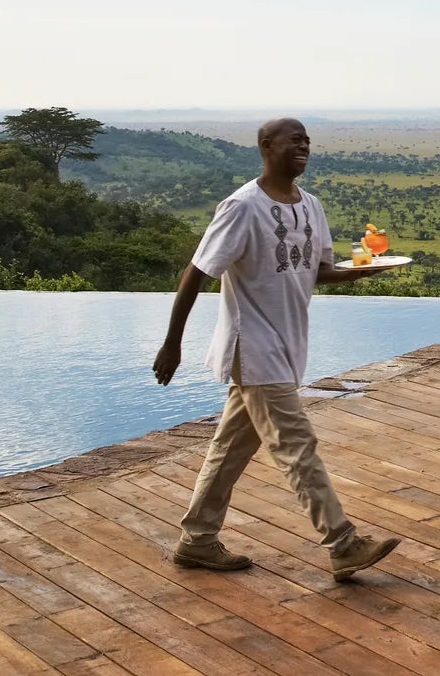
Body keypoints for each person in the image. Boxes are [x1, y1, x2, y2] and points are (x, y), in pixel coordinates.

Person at [152, 117, 400, 582]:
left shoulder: (311, 206)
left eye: (308, 139)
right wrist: (172, 342)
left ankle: (197, 541)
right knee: (296, 444)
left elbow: (316, 271)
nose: (304, 146)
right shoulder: (242, 207)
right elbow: (197, 272)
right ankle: (342, 543)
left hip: (287, 343)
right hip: (255, 345)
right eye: (294, 139)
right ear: (267, 147)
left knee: (230, 448)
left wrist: (361, 272)